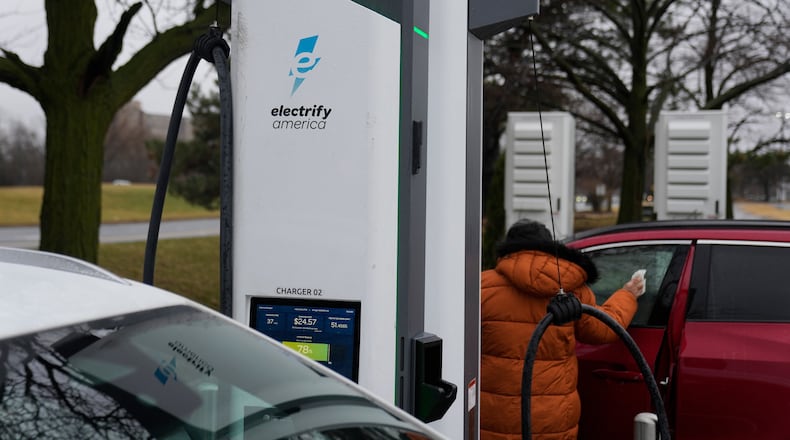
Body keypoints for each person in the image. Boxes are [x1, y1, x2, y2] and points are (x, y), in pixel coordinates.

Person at [480, 219, 644, 440]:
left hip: (495, 418)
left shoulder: (482, 287)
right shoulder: (571, 289)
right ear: (550, 247)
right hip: (554, 419)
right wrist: (628, 294)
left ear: (508, 249)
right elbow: (604, 329)